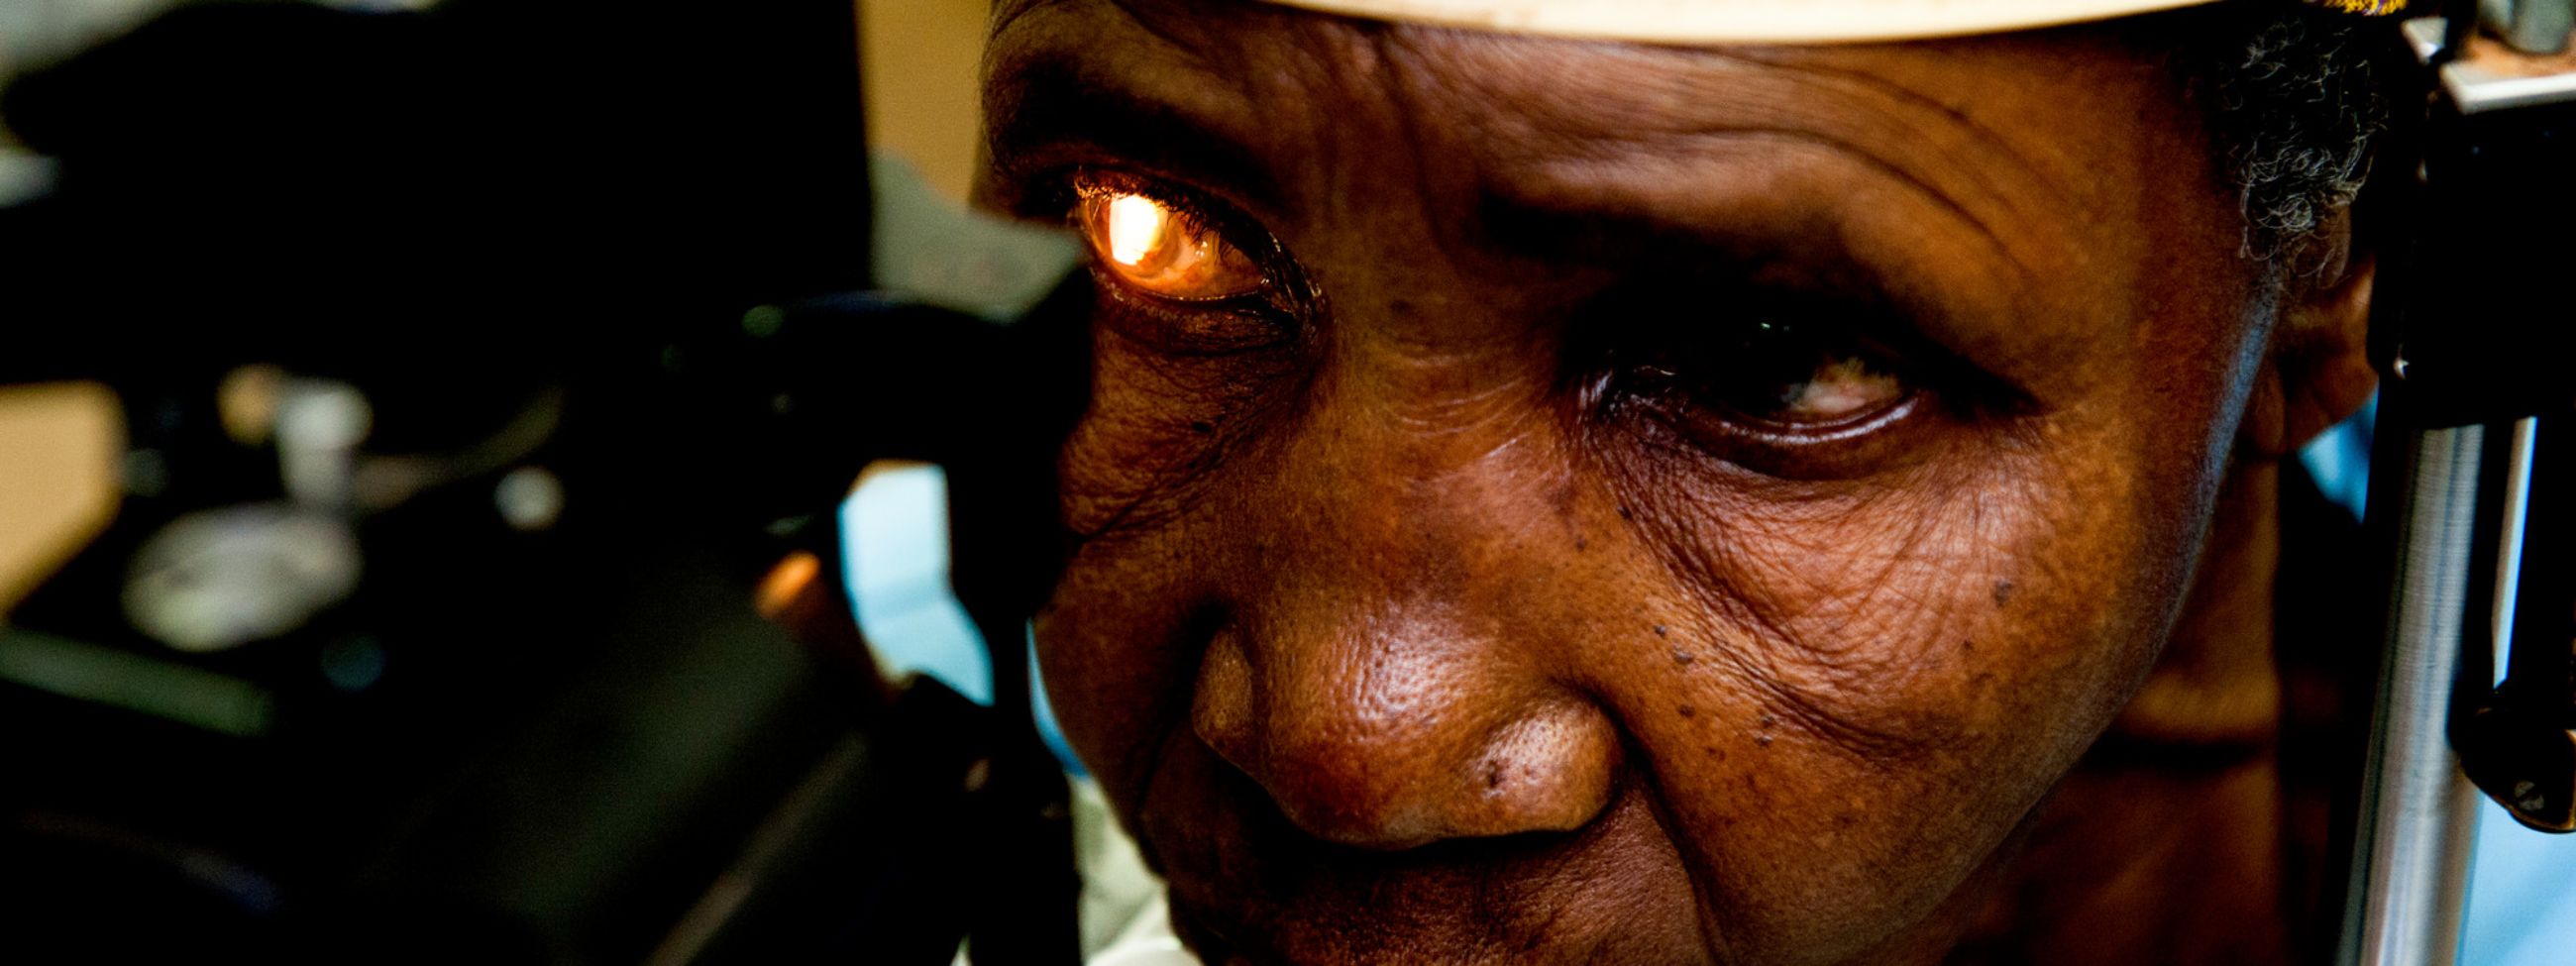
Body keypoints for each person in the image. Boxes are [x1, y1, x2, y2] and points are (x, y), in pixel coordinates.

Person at [973, 0, 2398, 961]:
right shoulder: (817, 730)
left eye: (1764, 360)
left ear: (2325, 298)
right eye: (1156, 233)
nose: (1349, 737)